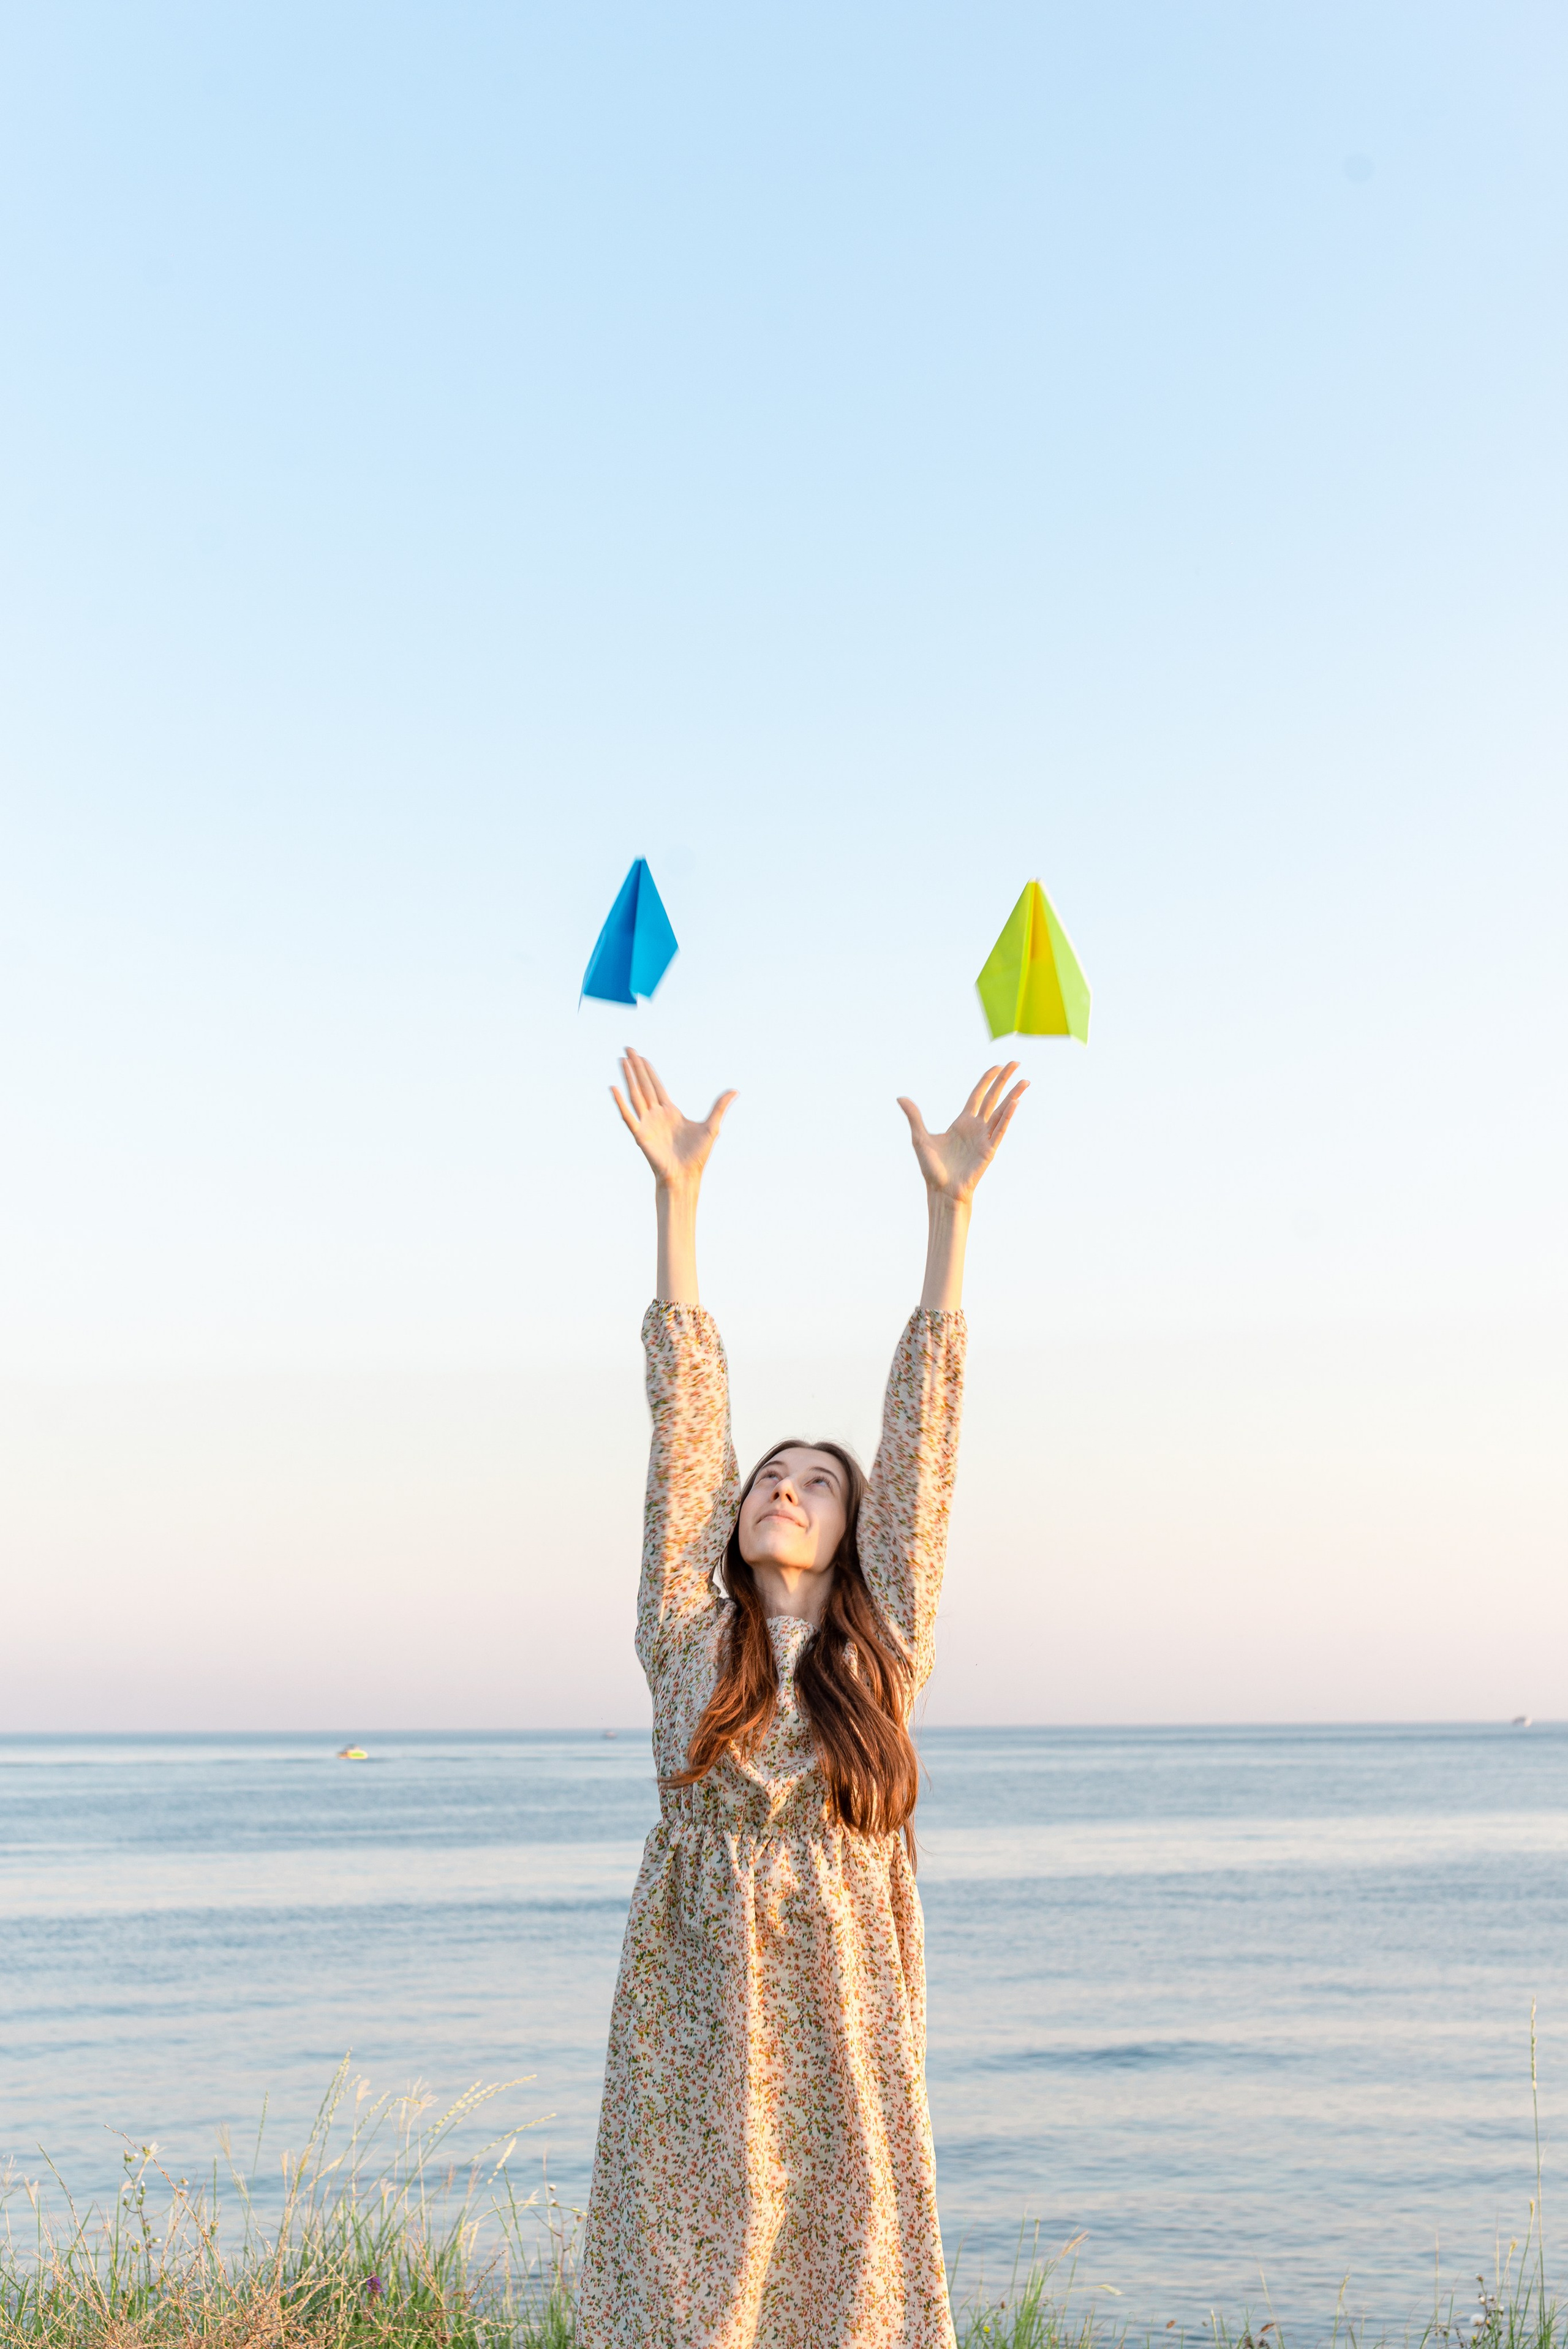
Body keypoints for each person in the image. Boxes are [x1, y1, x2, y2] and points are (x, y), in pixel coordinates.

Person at [578, 1049, 1028, 2349]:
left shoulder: (881, 1649)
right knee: (688, 2288)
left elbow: (925, 1436)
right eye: (766, 1474)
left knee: (850, 2288)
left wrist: (950, 1217)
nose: (781, 1484)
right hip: (694, 2017)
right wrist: (678, 1202)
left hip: (844, 2010)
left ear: (853, 1535)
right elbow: (681, 1422)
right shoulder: (684, 1638)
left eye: (815, 1481)